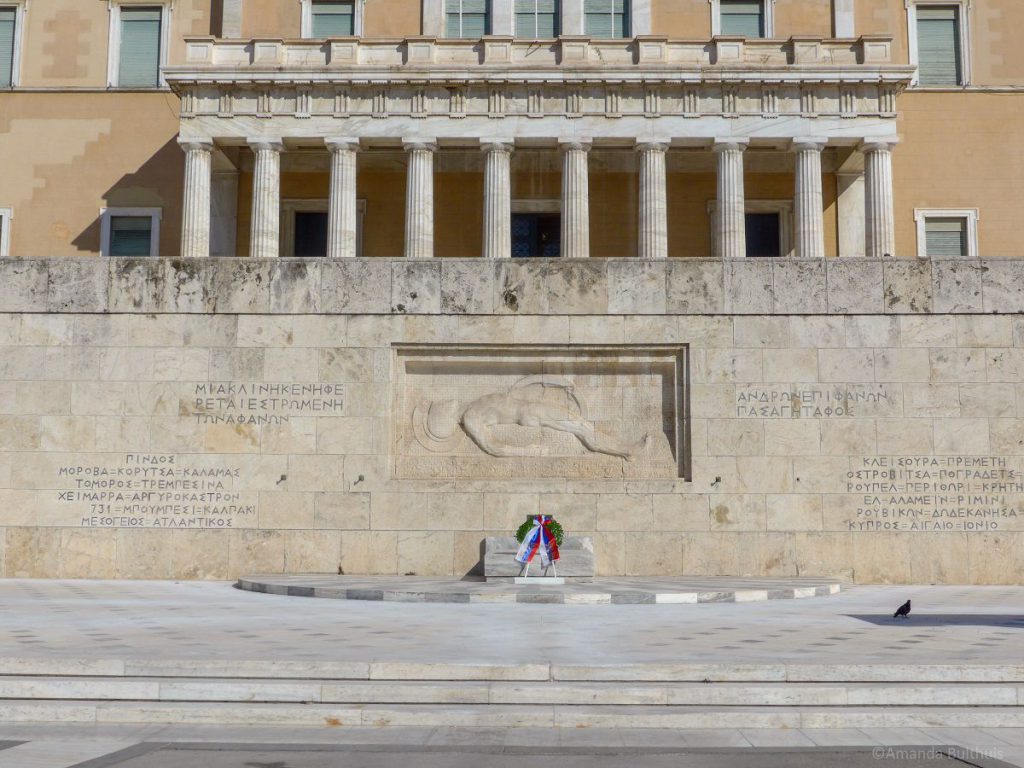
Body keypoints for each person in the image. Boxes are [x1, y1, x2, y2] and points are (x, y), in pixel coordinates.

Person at [424, 375, 649, 460]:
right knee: (581, 428)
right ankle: (628, 451)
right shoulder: (471, 417)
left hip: (532, 407)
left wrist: (553, 380)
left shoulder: (472, 403)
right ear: (446, 414)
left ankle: (626, 450)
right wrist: (527, 451)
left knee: (581, 426)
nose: (443, 401)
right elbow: (493, 448)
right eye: (440, 407)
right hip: (531, 413)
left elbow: (516, 388)